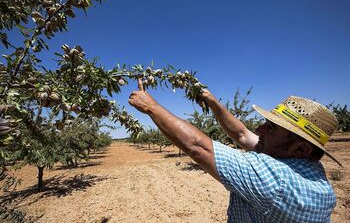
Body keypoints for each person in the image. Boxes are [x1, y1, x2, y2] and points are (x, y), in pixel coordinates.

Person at [128, 79, 341, 223]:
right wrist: (212, 102)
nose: (260, 129)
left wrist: (151, 107)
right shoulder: (310, 170)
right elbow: (242, 135)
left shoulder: (276, 181)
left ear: (301, 148)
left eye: (271, 127)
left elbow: (197, 146)